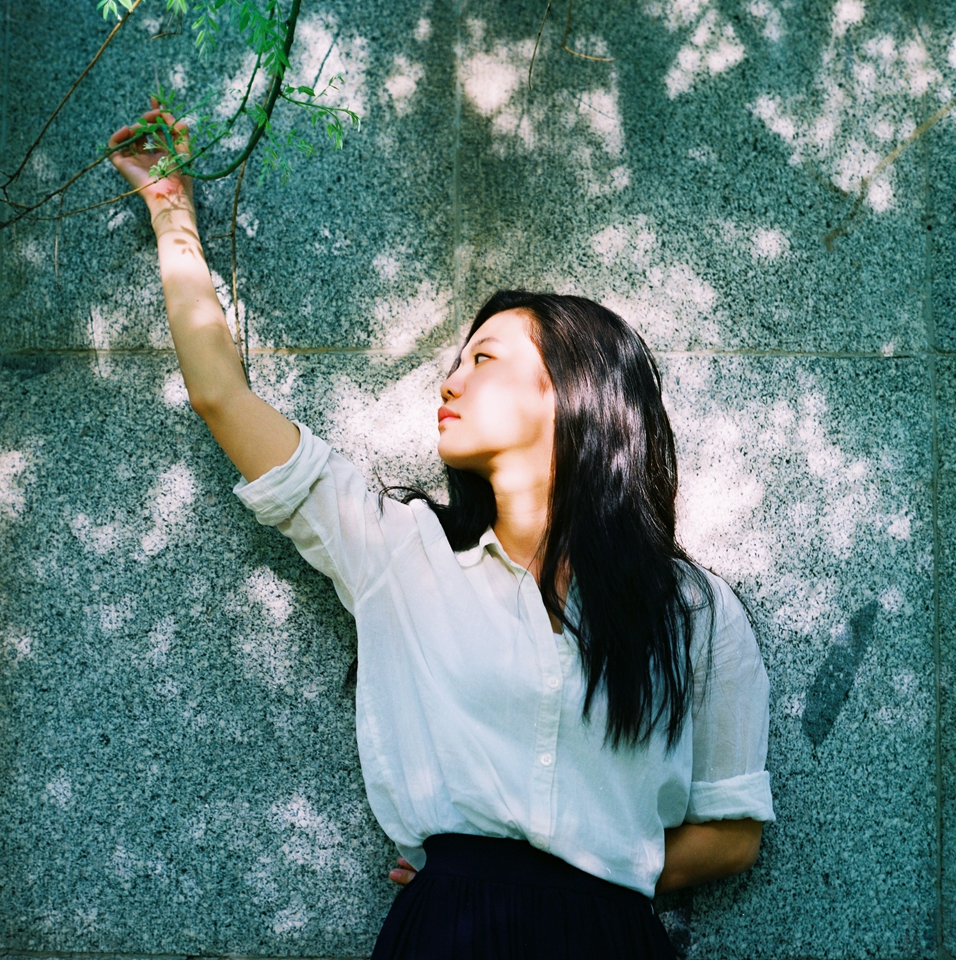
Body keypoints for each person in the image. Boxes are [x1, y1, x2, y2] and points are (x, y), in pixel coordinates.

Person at [108, 103, 775, 960]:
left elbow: (733, 834)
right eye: (456, 362)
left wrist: (583, 863)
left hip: (610, 937)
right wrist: (170, 206)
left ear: (573, 392)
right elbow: (221, 397)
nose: (451, 381)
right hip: (447, 932)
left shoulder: (693, 610)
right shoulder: (402, 553)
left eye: (484, 359)